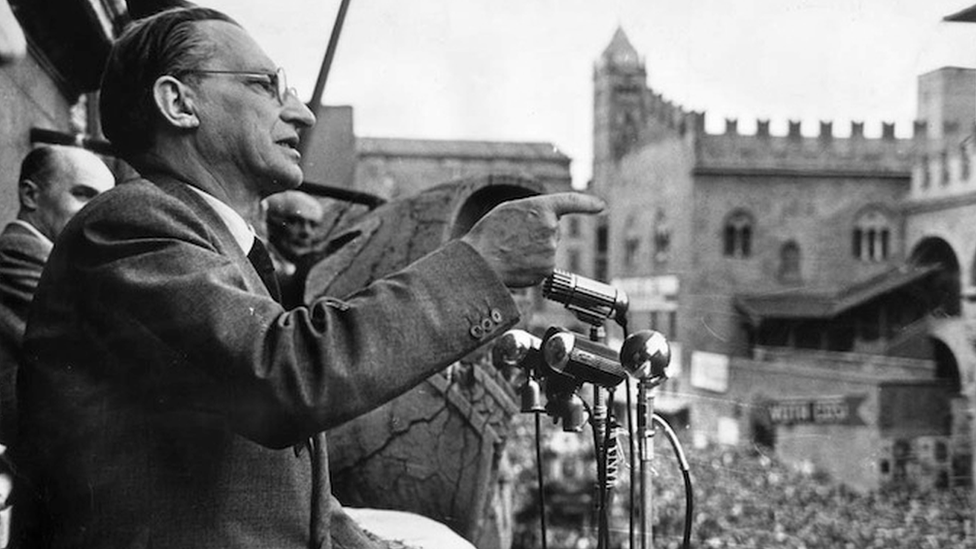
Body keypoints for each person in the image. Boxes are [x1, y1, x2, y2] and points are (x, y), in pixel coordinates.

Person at [12, 6, 604, 549]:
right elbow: (282, 377)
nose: (300, 111)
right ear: (179, 103)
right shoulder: (129, 225)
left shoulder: (211, 244)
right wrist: (482, 264)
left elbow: (275, 492)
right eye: (267, 87)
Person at [0, 145, 115, 444]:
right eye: (83, 194)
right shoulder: (16, 254)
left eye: (106, 201)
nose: (98, 211)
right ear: (30, 195)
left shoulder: (58, 263)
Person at [263, 190, 325, 308]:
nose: (306, 232)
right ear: (271, 224)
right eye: (295, 221)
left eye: (312, 225)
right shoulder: (261, 266)